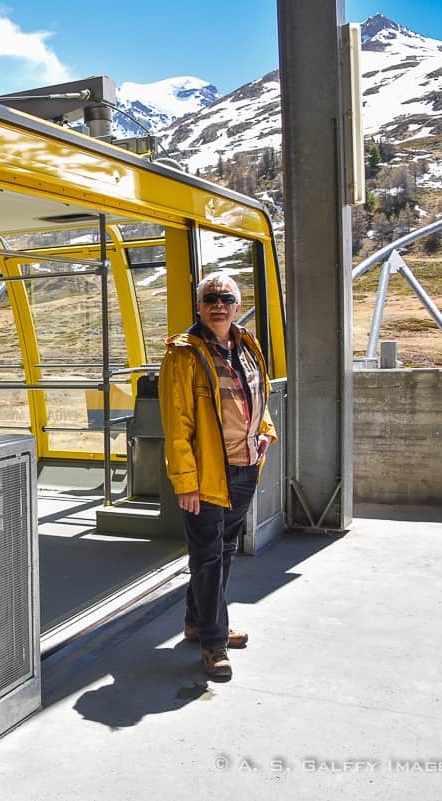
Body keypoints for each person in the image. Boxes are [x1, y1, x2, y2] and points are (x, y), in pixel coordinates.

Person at [159, 272, 277, 680]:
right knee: (208, 557)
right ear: (199, 306)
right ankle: (214, 643)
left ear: (238, 305)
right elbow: (177, 424)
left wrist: (265, 433)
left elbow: (258, 397)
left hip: (245, 466)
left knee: (224, 549)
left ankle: (198, 621)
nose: (219, 304)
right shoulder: (183, 354)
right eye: (210, 298)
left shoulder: (247, 345)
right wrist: (186, 481)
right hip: (210, 473)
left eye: (226, 297)